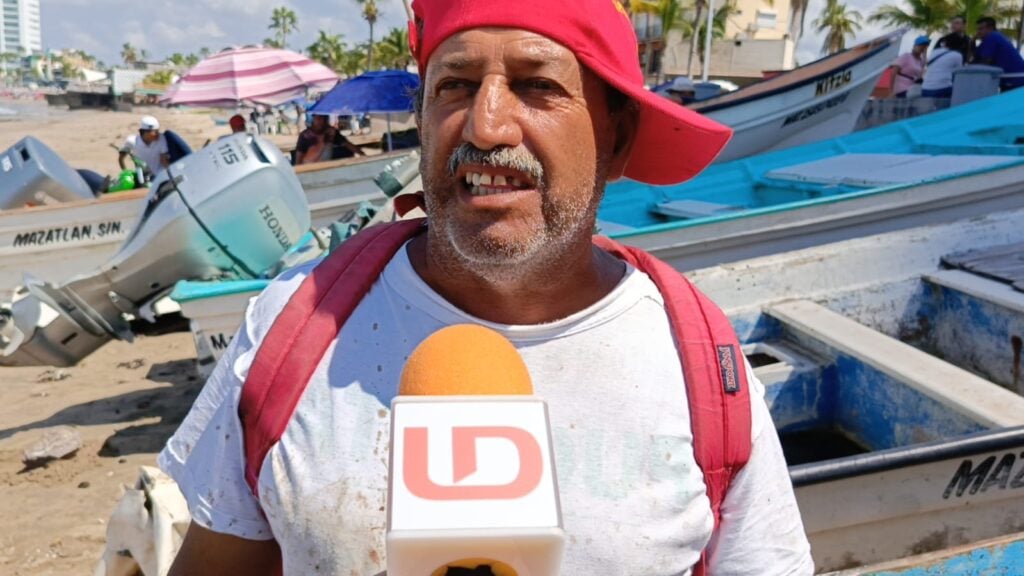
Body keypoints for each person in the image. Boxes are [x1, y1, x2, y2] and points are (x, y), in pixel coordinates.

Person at [162, 1, 814, 574]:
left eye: (536, 86)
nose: (485, 126)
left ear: (617, 141)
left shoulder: (698, 366)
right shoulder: (295, 322)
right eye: (456, 85)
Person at [973, 16, 1024, 91]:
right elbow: (974, 57)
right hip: (1013, 78)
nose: (978, 32)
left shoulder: (992, 37)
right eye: (977, 29)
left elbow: (985, 63)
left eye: (980, 29)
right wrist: (972, 42)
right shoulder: (995, 37)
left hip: (1014, 79)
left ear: (990, 28)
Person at [118, 115, 169, 180]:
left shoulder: (161, 139)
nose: (157, 134)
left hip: (160, 175)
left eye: (158, 131)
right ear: (145, 132)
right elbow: (121, 159)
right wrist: (125, 173)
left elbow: (164, 161)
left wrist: (170, 174)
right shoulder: (132, 141)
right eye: (154, 131)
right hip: (142, 178)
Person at [922, 34, 967, 98]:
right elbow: (958, 74)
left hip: (925, 88)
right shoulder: (957, 55)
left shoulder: (935, 52)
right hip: (942, 88)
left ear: (946, 42)